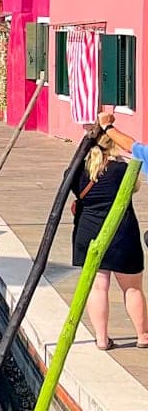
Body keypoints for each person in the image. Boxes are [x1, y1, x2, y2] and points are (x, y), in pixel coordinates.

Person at [70, 118, 148, 350]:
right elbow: (134, 185)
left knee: (98, 287)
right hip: (122, 233)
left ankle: (102, 339)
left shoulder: (78, 172)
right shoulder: (122, 169)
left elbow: (72, 186)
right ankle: (143, 335)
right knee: (132, 288)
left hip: (88, 231)